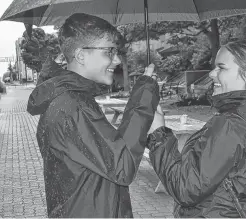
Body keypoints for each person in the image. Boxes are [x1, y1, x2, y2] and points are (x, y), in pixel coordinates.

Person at [27, 13, 160, 218]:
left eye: (116, 52)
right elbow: (122, 166)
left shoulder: (69, 100)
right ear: (81, 55)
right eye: (108, 52)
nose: (116, 59)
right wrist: (145, 96)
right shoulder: (73, 106)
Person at [146, 39, 246, 218]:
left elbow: (186, 189)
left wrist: (158, 134)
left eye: (221, 67)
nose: (211, 74)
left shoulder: (231, 124)